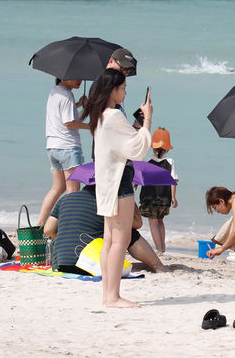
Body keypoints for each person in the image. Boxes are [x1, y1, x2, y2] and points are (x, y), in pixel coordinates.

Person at [80, 68, 152, 308]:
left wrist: (138, 125)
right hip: (119, 180)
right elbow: (137, 149)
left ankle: (108, 294)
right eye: (123, 88)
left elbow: (125, 142)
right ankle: (113, 296)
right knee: (119, 240)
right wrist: (148, 120)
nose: (124, 92)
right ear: (113, 90)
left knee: (110, 239)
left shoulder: (100, 115)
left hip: (107, 181)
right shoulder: (114, 117)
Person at [43, 185, 165, 274]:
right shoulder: (107, 202)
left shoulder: (65, 199)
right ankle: (157, 266)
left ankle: (148, 265)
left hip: (60, 263)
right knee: (124, 229)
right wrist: (129, 196)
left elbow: (48, 229)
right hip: (88, 264)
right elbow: (137, 224)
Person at [37, 78, 89, 226]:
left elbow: (63, 116)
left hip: (53, 147)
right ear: (64, 76)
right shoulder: (67, 95)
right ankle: (68, 228)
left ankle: (38, 226)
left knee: (57, 188)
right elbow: (69, 122)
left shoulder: (55, 92)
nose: (80, 79)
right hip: (68, 148)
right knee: (73, 193)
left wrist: (79, 104)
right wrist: (91, 126)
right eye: (76, 76)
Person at [139, 127, 178, 254]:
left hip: (148, 197)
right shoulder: (170, 161)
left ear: (153, 147)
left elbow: (140, 178)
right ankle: (163, 248)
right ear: (167, 147)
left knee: (153, 223)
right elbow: (174, 180)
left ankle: (159, 250)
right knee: (160, 221)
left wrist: (134, 186)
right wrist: (173, 197)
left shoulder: (147, 161)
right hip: (165, 197)